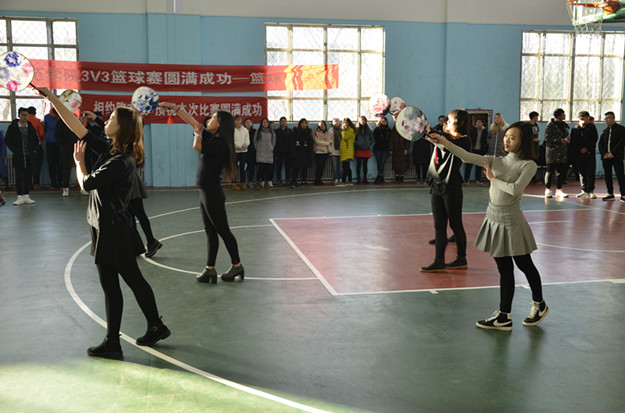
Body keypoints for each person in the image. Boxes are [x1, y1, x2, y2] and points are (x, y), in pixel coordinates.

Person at [37, 86, 170, 359]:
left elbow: (86, 184)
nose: (106, 121)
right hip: (106, 226)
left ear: (122, 128)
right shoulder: (111, 149)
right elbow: (77, 126)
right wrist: (52, 97)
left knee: (123, 283)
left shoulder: (121, 161)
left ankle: (129, 335)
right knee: (124, 282)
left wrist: (79, 162)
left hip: (113, 230)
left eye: (111, 119)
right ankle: (139, 332)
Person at [428, 121, 549, 331]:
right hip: (494, 218)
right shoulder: (496, 160)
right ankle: (504, 316)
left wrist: (493, 179)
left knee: (524, 264)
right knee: (504, 269)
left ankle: (539, 304)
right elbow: (467, 156)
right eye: (506, 136)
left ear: (523, 142)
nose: (507, 140)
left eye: (513, 137)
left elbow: (516, 190)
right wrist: (442, 142)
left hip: (512, 221)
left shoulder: (528, 165)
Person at [160, 101, 244, 282]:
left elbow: (197, 146)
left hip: (212, 192)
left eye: (213, 118)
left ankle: (237, 266)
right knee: (210, 231)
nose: (209, 120)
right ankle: (209, 270)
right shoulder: (212, 137)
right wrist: (174, 108)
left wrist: (198, 135)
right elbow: (193, 123)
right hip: (205, 190)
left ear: (220, 124)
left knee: (223, 231)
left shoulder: (222, 144)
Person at [420, 109, 471, 272]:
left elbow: (446, 144)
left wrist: (436, 136)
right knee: (439, 226)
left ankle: (461, 258)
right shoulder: (442, 137)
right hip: (436, 185)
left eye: (449, 120)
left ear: (459, 123)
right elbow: (427, 134)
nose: (446, 122)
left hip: (452, 187)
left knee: (456, 224)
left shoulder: (464, 141)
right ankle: (439, 261)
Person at [5, 107, 39, 205]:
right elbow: (7, 140)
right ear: (19, 115)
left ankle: (26, 195)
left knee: (28, 176)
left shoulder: (30, 126)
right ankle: (19, 196)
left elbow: (36, 139)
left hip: (29, 156)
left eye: (27, 115)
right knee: (19, 177)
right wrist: (15, 150)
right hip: (19, 156)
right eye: (23, 115)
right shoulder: (13, 127)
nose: (25, 117)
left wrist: (35, 149)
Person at [570, 111, 598, 199]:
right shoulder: (574, 129)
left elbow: (594, 139)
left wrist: (587, 148)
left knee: (591, 172)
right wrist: (580, 149)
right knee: (581, 173)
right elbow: (573, 142)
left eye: (588, 118)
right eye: (586, 118)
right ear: (581, 118)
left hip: (590, 154)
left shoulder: (592, 127)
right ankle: (584, 190)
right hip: (579, 155)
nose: (588, 120)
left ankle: (591, 191)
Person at [598, 111, 625, 202]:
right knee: (607, 175)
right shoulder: (604, 132)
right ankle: (610, 193)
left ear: (613, 118)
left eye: (608, 118)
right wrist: (604, 154)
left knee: (620, 175)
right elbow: (600, 144)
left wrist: (613, 152)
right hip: (606, 158)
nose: (607, 120)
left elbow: (621, 142)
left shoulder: (621, 129)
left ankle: (623, 194)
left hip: (617, 157)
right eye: (605, 118)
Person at [544, 108, 570, 199]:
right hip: (552, 152)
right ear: (558, 116)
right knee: (550, 171)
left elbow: (565, 134)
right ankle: (547, 190)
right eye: (563, 114)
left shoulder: (564, 125)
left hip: (562, 151)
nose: (564, 116)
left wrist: (567, 139)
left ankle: (559, 190)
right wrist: (560, 140)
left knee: (560, 171)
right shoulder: (550, 125)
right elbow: (548, 138)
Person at [56, 114, 80, 196]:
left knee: (79, 166)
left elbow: (79, 131)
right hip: (65, 148)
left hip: (76, 146)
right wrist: (63, 143)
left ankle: (82, 187)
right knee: (66, 167)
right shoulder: (60, 121)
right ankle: (65, 188)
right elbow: (57, 135)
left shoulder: (75, 118)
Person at [290, 118, 314, 188]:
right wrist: (293, 153)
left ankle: (304, 181)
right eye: (302, 123)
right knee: (295, 168)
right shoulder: (295, 132)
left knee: (305, 168)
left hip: (305, 154)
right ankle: (294, 181)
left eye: (305, 123)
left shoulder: (309, 133)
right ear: (300, 124)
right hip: (297, 153)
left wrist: (310, 154)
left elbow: (311, 145)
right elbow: (292, 143)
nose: (304, 125)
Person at [254, 117, 276, 189]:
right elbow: (255, 142)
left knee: (268, 169)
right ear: (261, 123)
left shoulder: (272, 132)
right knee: (261, 169)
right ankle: (258, 182)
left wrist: (271, 148)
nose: (265, 124)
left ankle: (266, 182)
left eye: (266, 122)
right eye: (263, 122)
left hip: (269, 153)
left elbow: (273, 142)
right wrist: (258, 148)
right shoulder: (258, 131)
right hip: (260, 153)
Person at [388, 114, 410, 183]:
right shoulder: (393, 132)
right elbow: (391, 141)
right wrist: (391, 149)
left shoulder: (405, 131)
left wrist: (406, 148)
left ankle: (401, 177)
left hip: (403, 149)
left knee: (403, 164)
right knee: (396, 164)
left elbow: (407, 140)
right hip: (395, 150)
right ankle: (397, 177)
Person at [464, 118, 488, 182]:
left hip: (480, 150)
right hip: (472, 150)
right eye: (477, 122)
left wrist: (485, 150)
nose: (478, 124)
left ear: (482, 123)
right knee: (469, 165)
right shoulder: (472, 130)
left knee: (479, 166)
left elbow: (486, 141)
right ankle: (466, 179)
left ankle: (478, 179)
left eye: (479, 122)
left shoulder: (485, 131)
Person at [43, 108, 62, 189]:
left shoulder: (62, 117)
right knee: (51, 164)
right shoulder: (47, 117)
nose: (56, 117)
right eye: (55, 115)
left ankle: (60, 183)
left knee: (60, 164)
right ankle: (53, 184)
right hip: (50, 143)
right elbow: (44, 129)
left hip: (60, 144)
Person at [27, 107, 45, 189]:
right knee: (36, 167)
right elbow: (42, 134)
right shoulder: (38, 121)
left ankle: (28, 184)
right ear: (35, 113)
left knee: (28, 167)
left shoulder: (24, 122)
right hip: (37, 147)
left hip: (26, 147)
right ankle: (36, 184)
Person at [354, 116, 374, 184]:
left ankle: (365, 178)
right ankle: (358, 179)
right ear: (359, 121)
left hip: (366, 149)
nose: (363, 121)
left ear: (366, 121)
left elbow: (372, 139)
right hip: (359, 149)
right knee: (358, 164)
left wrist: (368, 143)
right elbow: (354, 139)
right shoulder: (356, 130)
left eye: (364, 120)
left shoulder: (369, 130)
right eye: (361, 120)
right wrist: (358, 143)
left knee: (365, 165)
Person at [232, 115, 249, 190]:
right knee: (234, 168)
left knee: (243, 168)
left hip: (243, 151)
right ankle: (234, 183)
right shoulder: (231, 130)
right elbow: (231, 140)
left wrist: (244, 147)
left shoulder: (245, 130)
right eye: (236, 120)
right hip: (235, 152)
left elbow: (247, 140)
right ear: (234, 121)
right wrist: (237, 147)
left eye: (239, 120)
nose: (238, 122)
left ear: (241, 121)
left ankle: (242, 183)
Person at [274, 116, 292, 186]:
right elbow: (275, 143)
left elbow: (291, 142)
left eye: (285, 121)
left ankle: (288, 180)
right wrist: (276, 153)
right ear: (280, 122)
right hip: (279, 151)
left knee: (288, 166)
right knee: (279, 166)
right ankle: (279, 180)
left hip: (288, 151)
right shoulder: (276, 131)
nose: (283, 123)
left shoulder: (289, 131)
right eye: (282, 121)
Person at [373, 116, 391, 184]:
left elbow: (389, 140)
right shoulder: (377, 130)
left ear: (387, 122)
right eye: (382, 121)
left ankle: (379, 176)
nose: (383, 122)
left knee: (382, 162)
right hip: (378, 149)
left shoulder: (389, 130)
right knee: (379, 162)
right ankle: (380, 176)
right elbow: (377, 139)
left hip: (385, 149)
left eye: (384, 121)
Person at [313, 120, 331, 185]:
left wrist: (329, 150)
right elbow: (317, 142)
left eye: (323, 125)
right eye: (321, 125)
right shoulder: (315, 133)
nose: (322, 126)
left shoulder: (327, 133)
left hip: (325, 152)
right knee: (319, 166)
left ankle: (320, 179)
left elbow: (329, 141)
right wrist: (327, 143)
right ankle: (317, 180)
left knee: (322, 167)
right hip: (318, 152)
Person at [340, 118, 356, 186]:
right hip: (344, 151)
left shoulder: (350, 130)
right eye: (343, 123)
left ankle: (345, 180)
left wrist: (343, 131)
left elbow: (345, 137)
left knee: (346, 167)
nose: (344, 125)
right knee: (346, 167)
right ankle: (349, 180)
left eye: (346, 123)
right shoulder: (345, 131)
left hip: (348, 151)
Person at [528, 111, 542, 182]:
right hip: (530, 146)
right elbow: (526, 137)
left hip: (536, 145)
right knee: (531, 161)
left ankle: (535, 176)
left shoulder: (536, 125)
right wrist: (534, 139)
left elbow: (538, 133)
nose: (537, 118)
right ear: (534, 117)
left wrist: (538, 138)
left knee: (536, 160)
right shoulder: (528, 125)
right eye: (537, 117)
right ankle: (530, 177)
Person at [329, 118, 343, 185]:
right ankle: (336, 179)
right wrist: (330, 150)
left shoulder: (342, 130)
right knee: (335, 167)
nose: (336, 122)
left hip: (341, 151)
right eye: (334, 121)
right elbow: (329, 141)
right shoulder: (331, 130)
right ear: (332, 122)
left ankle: (340, 178)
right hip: (334, 151)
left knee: (340, 167)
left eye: (337, 121)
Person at [243, 118, 257, 189]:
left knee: (251, 168)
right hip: (243, 151)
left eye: (249, 122)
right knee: (243, 168)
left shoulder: (255, 131)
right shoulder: (242, 131)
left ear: (252, 124)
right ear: (244, 123)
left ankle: (250, 181)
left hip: (252, 152)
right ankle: (243, 182)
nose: (248, 124)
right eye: (247, 122)